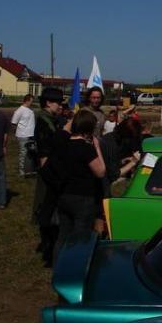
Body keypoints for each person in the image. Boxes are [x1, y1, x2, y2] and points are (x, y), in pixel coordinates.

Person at [54, 110, 106, 257]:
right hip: (82, 197)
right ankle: (76, 265)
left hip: (64, 194)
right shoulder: (86, 148)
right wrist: (97, 148)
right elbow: (101, 172)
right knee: (80, 237)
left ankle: (59, 264)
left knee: (63, 236)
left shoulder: (64, 145)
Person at [32, 87, 64, 266]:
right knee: (47, 211)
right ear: (48, 103)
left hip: (53, 170)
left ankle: (51, 248)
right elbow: (44, 153)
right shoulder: (44, 122)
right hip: (49, 174)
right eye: (57, 102)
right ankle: (49, 250)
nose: (60, 106)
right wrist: (52, 178)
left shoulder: (51, 119)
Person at [11, 94, 35, 177]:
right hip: (23, 135)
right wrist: (18, 132)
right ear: (27, 101)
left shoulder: (30, 110)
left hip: (31, 134)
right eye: (31, 101)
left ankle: (29, 169)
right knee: (23, 153)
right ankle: (22, 171)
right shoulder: (19, 111)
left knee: (30, 153)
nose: (32, 103)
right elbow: (14, 123)